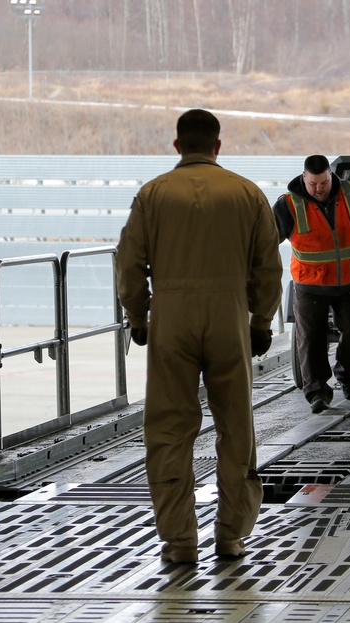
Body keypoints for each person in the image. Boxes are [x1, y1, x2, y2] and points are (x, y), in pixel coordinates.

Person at [115, 109, 283, 565]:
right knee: (236, 428)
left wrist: (139, 317)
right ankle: (231, 536)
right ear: (217, 146)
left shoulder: (153, 195)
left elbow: (129, 265)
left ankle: (180, 542)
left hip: (171, 315)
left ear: (177, 146)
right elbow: (268, 267)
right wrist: (261, 321)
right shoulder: (247, 194)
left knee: (169, 429)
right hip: (230, 316)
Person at [274, 155, 350, 413]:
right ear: (304, 178)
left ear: (331, 176)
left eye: (323, 182)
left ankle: (349, 376)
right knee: (310, 340)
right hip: (310, 286)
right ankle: (318, 392)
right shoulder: (289, 204)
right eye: (313, 184)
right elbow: (266, 240)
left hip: (349, 282)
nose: (319, 188)